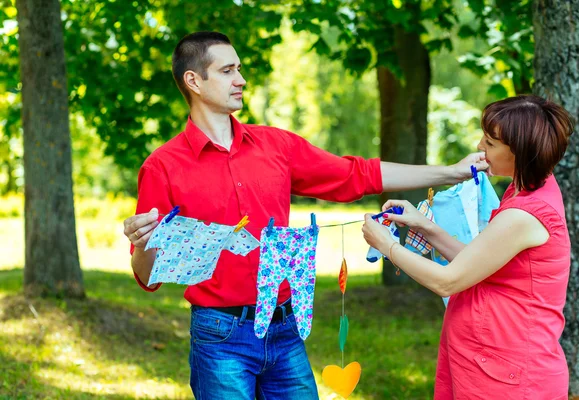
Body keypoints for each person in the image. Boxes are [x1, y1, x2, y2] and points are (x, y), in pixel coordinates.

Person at [122, 31, 486, 400]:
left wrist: (452, 171)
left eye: (240, 69)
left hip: (285, 329)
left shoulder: (276, 146)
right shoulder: (163, 167)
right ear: (194, 81)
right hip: (220, 337)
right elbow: (148, 273)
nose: (241, 80)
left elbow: (358, 174)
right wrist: (142, 245)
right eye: (228, 71)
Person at [362, 95, 574, 399]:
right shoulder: (523, 191)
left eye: (489, 142)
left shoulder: (524, 214)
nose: (479, 147)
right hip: (488, 363)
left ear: (519, 152)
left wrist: (387, 245)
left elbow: (446, 280)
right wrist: (425, 225)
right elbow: (478, 262)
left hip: (509, 375)